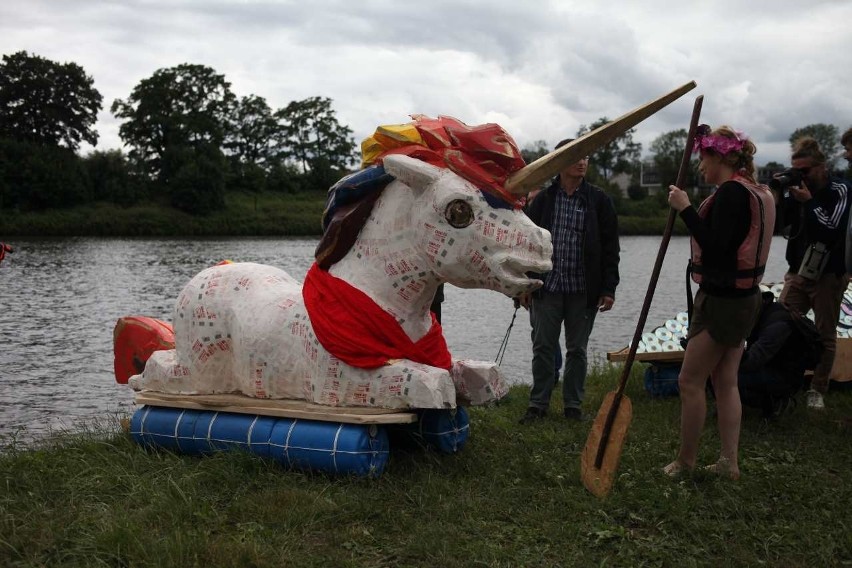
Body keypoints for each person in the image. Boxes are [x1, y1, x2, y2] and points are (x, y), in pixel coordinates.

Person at [664, 124, 775, 480]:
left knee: (690, 381)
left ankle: (685, 462)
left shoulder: (730, 194)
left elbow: (717, 248)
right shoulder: (755, 191)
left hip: (724, 302)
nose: (700, 168)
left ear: (719, 157)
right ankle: (729, 462)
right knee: (725, 380)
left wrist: (685, 209)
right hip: (745, 299)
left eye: (704, 159)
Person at [518, 139, 620, 423]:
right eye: (576, 156)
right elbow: (526, 245)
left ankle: (573, 406)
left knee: (577, 350)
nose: (582, 161)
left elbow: (611, 247)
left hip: (582, 290)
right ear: (559, 163)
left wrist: (609, 288)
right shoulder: (543, 201)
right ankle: (538, 404)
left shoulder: (599, 201)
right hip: (547, 288)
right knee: (543, 347)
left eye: (586, 156)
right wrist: (524, 285)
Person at [777, 137, 850, 411]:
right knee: (780, 324)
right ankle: (784, 383)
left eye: (805, 171)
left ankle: (817, 389)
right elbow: (782, 223)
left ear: (822, 167)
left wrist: (809, 202)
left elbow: (832, 229)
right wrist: (783, 192)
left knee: (824, 334)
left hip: (829, 274)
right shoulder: (796, 191)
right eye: (796, 171)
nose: (802, 177)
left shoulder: (840, 189)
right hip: (797, 273)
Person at [738, 292, 822, 418]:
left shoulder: (776, 326)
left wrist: (726, 358)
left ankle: (776, 402)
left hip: (783, 376)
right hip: (772, 366)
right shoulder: (765, 312)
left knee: (726, 379)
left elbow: (753, 361)